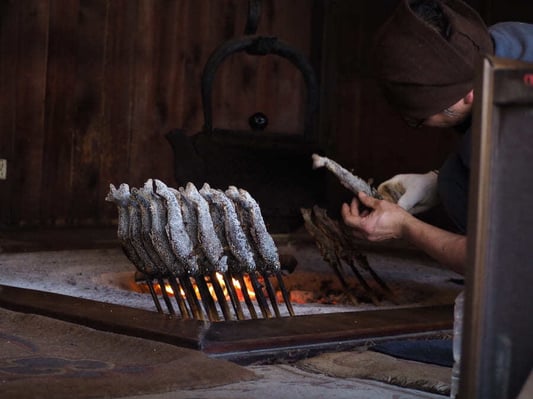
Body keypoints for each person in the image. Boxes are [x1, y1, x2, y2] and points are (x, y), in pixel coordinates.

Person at [341, 0, 533, 275]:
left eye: (421, 119)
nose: (427, 125)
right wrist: (436, 182)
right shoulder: (490, 48)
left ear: (469, 95)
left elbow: (499, 262)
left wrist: (405, 227)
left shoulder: (520, 125)